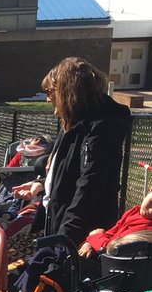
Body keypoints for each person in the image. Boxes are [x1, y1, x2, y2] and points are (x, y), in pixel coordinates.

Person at [12, 57, 131, 245]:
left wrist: (63, 236)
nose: (47, 98)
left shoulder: (102, 127)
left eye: (50, 91)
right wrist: (43, 183)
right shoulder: (73, 122)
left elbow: (90, 186)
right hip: (59, 223)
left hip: (79, 235)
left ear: (68, 91)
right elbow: (67, 169)